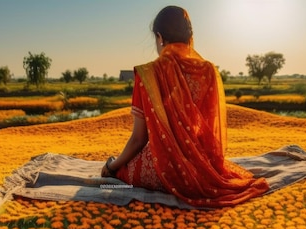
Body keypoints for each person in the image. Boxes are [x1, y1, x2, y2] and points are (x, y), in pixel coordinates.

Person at [101, 5, 269, 207]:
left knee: (119, 176)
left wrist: (112, 167)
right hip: (204, 166)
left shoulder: (148, 74)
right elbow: (208, 132)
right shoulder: (208, 71)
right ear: (189, 37)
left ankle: (113, 176)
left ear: (160, 37)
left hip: (164, 169)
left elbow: (139, 139)